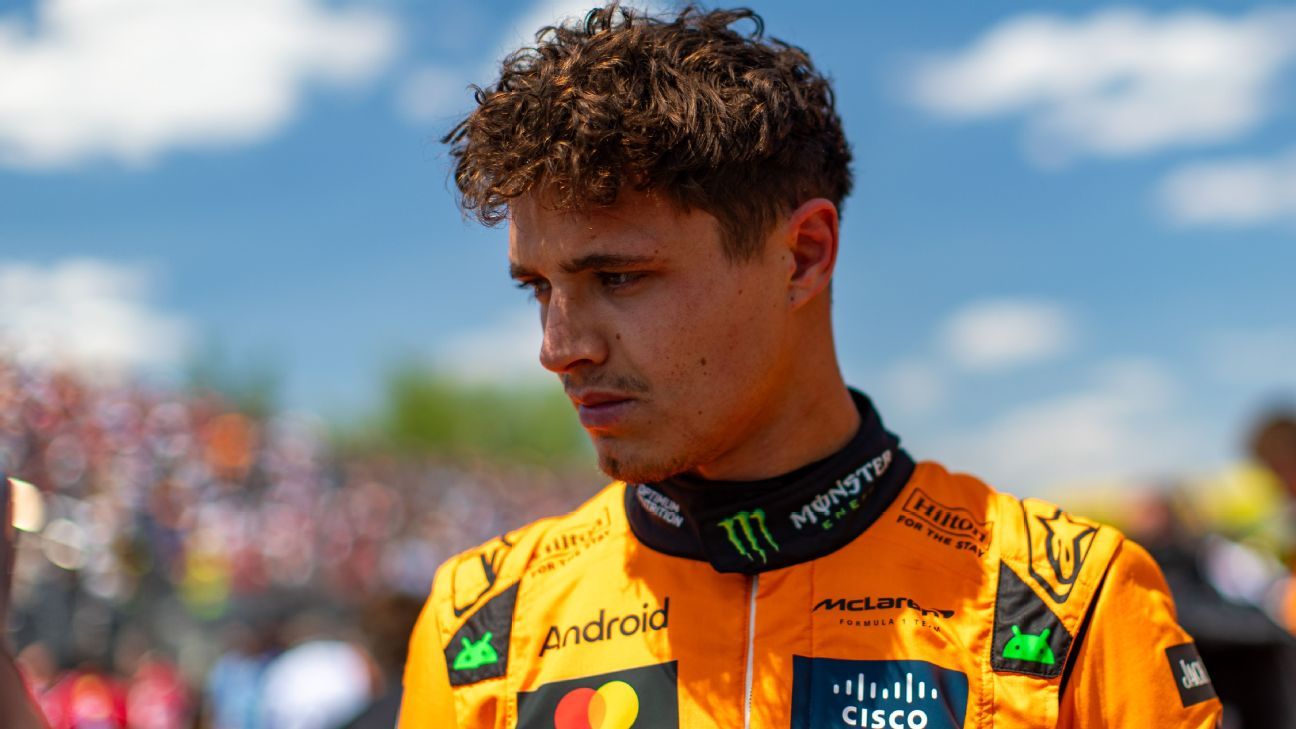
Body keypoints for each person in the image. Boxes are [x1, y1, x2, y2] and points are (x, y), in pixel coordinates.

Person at [394, 4, 1223, 727]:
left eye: (619, 277)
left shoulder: (1068, 604)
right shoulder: (482, 625)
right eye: (538, 287)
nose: (558, 347)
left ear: (803, 254)